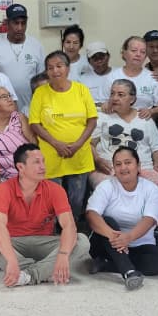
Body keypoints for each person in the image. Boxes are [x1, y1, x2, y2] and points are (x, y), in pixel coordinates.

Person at [0, 143, 90, 286]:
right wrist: (12, 260)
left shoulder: (55, 189)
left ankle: (28, 275)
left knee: (81, 241)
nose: (43, 166)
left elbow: (69, 225)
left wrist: (63, 256)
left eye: (43, 161)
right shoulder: (3, 189)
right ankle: (45, 271)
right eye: (36, 162)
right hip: (14, 243)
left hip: (45, 242)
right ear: (20, 167)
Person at [86, 146, 158, 290]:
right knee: (108, 221)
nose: (123, 168)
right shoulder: (106, 186)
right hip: (107, 243)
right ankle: (129, 271)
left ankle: (107, 265)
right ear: (114, 168)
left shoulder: (151, 189)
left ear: (138, 166)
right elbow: (91, 214)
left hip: (138, 246)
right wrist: (114, 237)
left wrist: (128, 237)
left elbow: (149, 220)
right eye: (118, 164)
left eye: (128, 163)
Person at [28, 52, 98, 219]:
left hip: (79, 154)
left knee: (76, 200)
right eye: (50, 68)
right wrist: (56, 144)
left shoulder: (81, 90)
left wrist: (78, 144)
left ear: (68, 68)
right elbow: (35, 123)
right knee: (52, 200)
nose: (55, 71)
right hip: (52, 154)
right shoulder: (40, 93)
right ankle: (53, 231)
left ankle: (71, 228)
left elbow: (92, 120)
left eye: (59, 66)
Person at [91, 79, 158, 188]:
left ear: (132, 99)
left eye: (120, 95)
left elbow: (156, 146)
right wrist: (97, 160)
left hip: (143, 168)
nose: (115, 98)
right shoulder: (102, 117)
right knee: (108, 187)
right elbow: (90, 144)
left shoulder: (144, 118)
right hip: (109, 169)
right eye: (112, 94)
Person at [0, 4, 43, 109]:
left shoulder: (36, 45)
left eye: (23, 23)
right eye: (16, 23)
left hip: (29, 108)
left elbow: (41, 79)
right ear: (7, 23)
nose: (20, 28)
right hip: (0, 109)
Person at [115, 36, 158, 122]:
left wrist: (151, 111)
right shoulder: (113, 76)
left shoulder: (152, 77)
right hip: (116, 123)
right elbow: (102, 103)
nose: (138, 54)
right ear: (124, 53)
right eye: (134, 51)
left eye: (143, 52)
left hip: (144, 124)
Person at [77, 41, 115, 107]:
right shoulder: (83, 79)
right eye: (95, 58)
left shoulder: (119, 75)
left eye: (102, 57)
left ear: (108, 57)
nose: (99, 61)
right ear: (89, 61)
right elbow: (80, 101)